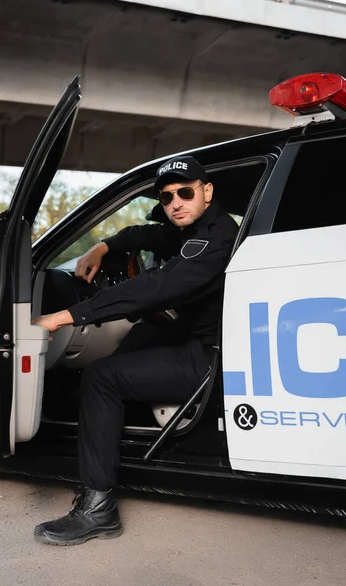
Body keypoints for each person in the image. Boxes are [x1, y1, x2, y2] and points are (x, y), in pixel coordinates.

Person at [32, 155, 239, 546]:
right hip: (205, 340)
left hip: (213, 358)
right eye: (166, 197)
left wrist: (65, 316)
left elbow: (157, 288)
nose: (175, 202)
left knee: (101, 378)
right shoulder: (191, 230)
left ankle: (98, 510)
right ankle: (109, 426)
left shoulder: (217, 238)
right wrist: (103, 247)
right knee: (142, 336)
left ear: (207, 192)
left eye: (185, 192)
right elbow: (143, 236)